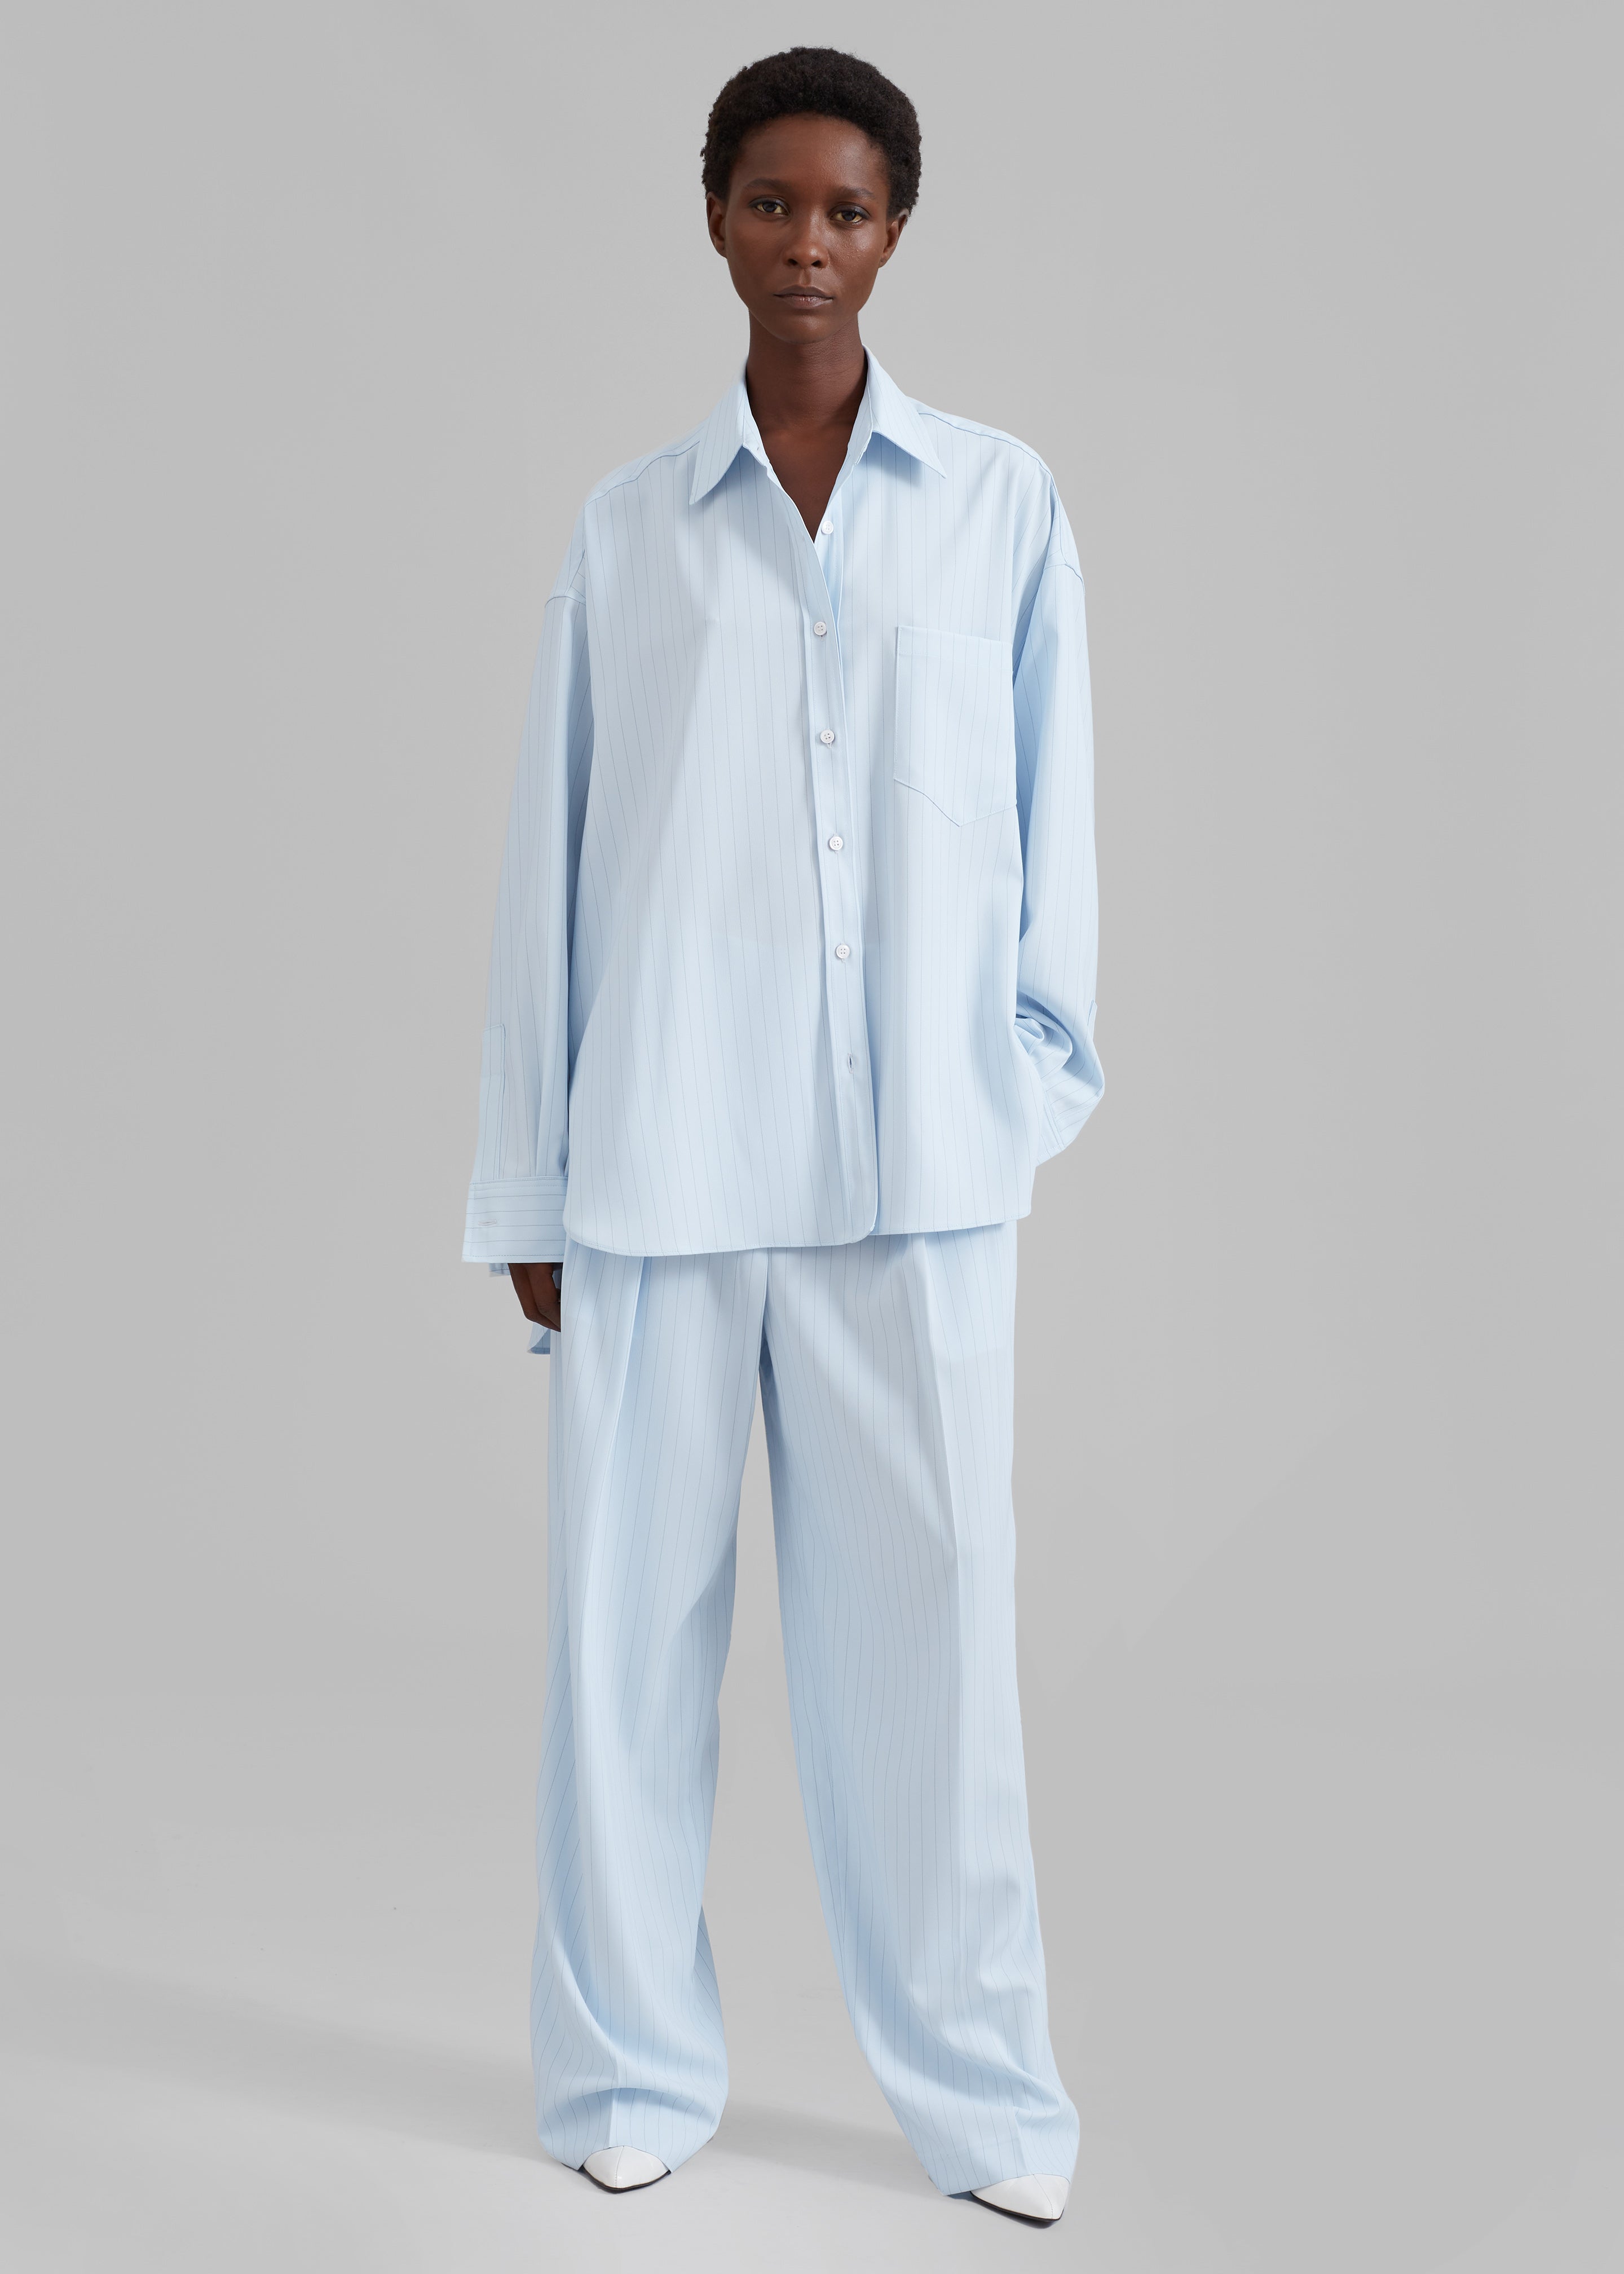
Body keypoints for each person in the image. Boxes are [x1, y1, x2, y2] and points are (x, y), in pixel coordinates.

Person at [463, 45, 1101, 2231]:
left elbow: (1055, 831)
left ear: (895, 231)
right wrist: (530, 1187)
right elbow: (553, 863)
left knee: (939, 1673)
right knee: (622, 1659)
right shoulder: (629, 529)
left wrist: (1017, 1083)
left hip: (917, 1188)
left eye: (845, 208)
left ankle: (988, 2107)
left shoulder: (1001, 506)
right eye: (769, 201)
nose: (806, 243)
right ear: (716, 218)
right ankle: (626, 2071)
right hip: (657, 1171)